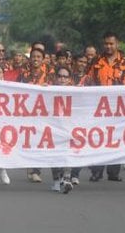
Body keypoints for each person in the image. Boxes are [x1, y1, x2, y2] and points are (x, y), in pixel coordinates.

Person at [84, 31, 125, 182]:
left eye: (111, 43)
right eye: (106, 43)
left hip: (120, 108)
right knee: (98, 139)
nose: (108, 46)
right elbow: (88, 81)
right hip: (98, 107)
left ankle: (114, 172)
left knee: (117, 139)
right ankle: (97, 171)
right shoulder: (96, 61)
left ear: (117, 44)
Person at [18, 47, 55, 183]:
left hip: (45, 111)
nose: (35, 59)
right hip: (27, 112)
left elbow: (57, 88)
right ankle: (30, 165)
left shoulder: (51, 72)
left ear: (43, 59)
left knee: (40, 140)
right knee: (29, 140)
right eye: (33, 56)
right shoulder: (23, 72)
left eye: (39, 57)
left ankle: (36, 170)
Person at [50, 65, 74, 194]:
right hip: (53, 127)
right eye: (60, 76)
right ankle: (56, 180)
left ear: (69, 79)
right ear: (56, 78)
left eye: (65, 76)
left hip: (68, 127)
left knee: (67, 154)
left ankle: (66, 179)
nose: (62, 79)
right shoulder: (49, 90)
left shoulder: (76, 92)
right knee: (54, 155)